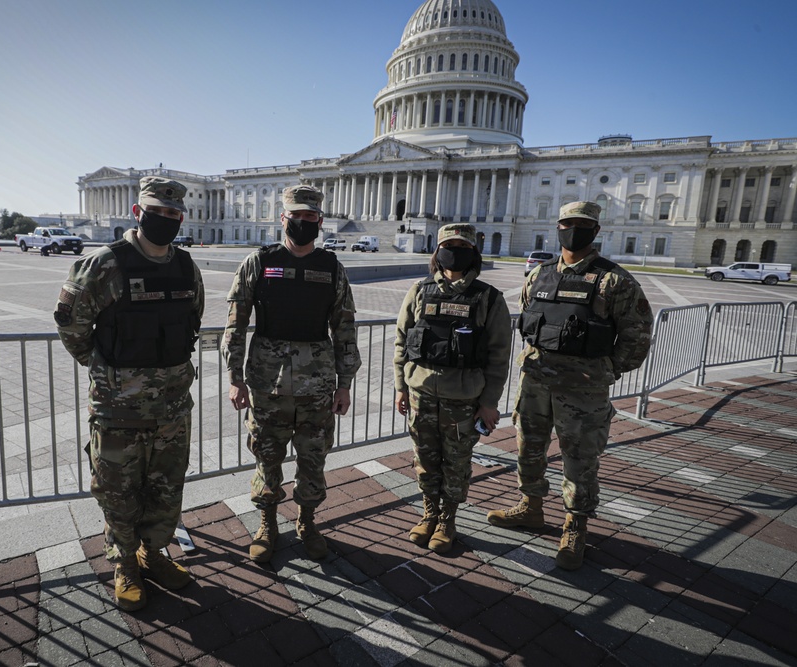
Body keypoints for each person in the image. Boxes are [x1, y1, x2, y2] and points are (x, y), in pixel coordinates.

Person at [54, 176, 204, 611]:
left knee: (166, 488)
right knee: (117, 491)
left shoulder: (186, 267)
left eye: (174, 214)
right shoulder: (104, 265)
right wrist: (105, 371)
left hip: (173, 408)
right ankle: (124, 563)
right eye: (158, 213)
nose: (167, 220)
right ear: (138, 213)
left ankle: (153, 553)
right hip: (118, 409)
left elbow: (192, 319)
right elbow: (72, 326)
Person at [486, 201, 653, 570]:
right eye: (567, 224)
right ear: (557, 228)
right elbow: (529, 321)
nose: (572, 230)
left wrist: (605, 369)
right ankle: (530, 507)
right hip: (535, 382)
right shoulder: (539, 275)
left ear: (595, 231)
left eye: (582, 224)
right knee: (528, 448)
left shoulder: (615, 281)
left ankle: (575, 525)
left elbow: (638, 336)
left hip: (583, 389)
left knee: (579, 460)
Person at [221, 184, 361, 563]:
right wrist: (235, 377)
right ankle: (267, 523)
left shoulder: (332, 267)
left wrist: (344, 384)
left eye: (310, 217)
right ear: (282, 219)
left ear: (319, 220)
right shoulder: (259, 262)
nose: (303, 222)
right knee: (267, 456)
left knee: (313, 458)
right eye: (296, 216)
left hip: (317, 385)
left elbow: (345, 329)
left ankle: (308, 520)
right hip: (269, 383)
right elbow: (236, 323)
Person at [393, 224, 512, 553]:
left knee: (456, 463)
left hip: (463, 398)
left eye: (461, 245)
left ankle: (447, 518)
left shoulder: (488, 298)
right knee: (425, 459)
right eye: (448, 244)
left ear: (472, 252)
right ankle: (429, 512)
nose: (454, 250)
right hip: (421, 394)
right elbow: (402, 341)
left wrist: (489, 403)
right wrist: (401, 387)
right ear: (437, 250)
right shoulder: (420, 290)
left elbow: (499, 356)